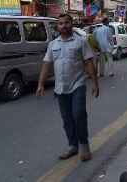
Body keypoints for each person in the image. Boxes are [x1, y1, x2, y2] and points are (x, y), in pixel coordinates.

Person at [36, 14, 99, 162]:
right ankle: (72, 146)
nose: (63, 25)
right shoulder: (53, 44)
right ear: (57, 26)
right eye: (60, 23)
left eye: (66, 22)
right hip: (60, 87)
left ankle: (84, 145)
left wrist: (95, 83)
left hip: (78, 84)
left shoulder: (81, 42)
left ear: (71, 24)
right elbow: (47, 64)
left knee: (78, 114)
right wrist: (40, 84)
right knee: (66, 118)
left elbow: (89, 63)